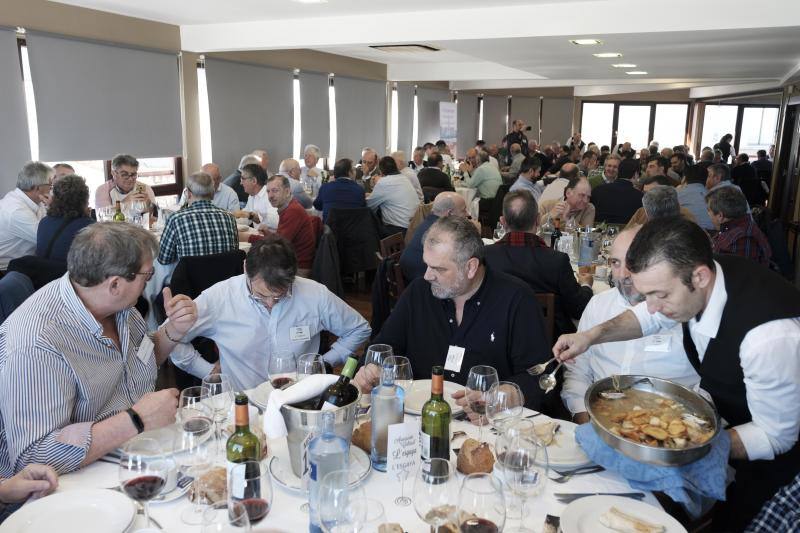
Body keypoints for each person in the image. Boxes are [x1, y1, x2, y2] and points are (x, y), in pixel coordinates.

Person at [552, 217, 800, 530]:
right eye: (648, 295)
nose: (652, 308)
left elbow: (776, 434)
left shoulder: (767, 339)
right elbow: (647, 317)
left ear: (699, 277)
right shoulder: (696, 275)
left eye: (661, 295)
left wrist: (688, 446)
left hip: (780, 472)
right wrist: (589, 336)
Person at [0, 223, 197, 475]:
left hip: (135, 453)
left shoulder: (119, 307)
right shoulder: (38, 343)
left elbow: (142, 359)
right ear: (114, 285)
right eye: (147, 276)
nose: (149, 282)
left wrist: (174, 330)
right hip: (76, 480)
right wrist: (136, 420)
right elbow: (33, 458)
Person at [354, 216, 552, 412]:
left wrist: (504, 396)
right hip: (418, 417)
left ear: (471, 267)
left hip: (486, 424)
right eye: (426, 264)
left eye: (438, 269)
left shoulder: (515, 299)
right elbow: (384, 346)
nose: (427, 275)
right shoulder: (419, 292)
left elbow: (540, 376)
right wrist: (370, 369)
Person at [169, 235, 370, 391]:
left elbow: (358, 329)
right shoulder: (220, 298)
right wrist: (207, 370)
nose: (271, 304)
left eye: (280, 296)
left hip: (300, 396)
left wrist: (325, 361)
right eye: (261, 295)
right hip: (243, 401)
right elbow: (170, 339)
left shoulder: (314, 294)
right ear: (246, 268)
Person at [561, 225, 698, 423]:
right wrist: (584, 420)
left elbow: (708, 388)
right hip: (600, 422)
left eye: (634, 263)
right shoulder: (599, 305)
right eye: (616, 263)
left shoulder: (688, 312)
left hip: (671, 428)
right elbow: (577, 372)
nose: (623, 274)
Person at [485, 190, 593, 340]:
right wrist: (586, 285)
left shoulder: (484, 257)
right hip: (547, 345)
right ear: (537, 220)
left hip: (494, 338)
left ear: (503, 222)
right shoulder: (556, 260)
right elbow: (579, 309)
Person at [158, 171, 238, 265]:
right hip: (225, 278)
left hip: (191, 279)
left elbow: (163, 259)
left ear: (188, 194)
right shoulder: (229, 218)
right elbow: (234, 251)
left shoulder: (176, 219)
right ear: (212, 194)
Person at [399, 191, 470, 281]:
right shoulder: (443, 231)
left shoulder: (430, 220)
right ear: (450, 213)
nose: (468, 214)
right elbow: (459, 258)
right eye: (463, 210)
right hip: (420, 277)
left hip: (410, 269)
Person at [0, 162, 53, 271]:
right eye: (50, 185)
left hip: (27, 263)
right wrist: (55, 207)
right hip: (9, 271)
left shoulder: (36, 201)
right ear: (38, 188)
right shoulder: (16, 210)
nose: (51, 189)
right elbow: (48, 240)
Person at [261, 174, 316, 276]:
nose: (270, 196)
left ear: (287, 192)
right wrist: (267, 233)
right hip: (291, 261)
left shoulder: (292, 211)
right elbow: (280, 239)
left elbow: (278, 245)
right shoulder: (288, 207)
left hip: (298, 267)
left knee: (256, 272)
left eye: (275, 191)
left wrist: (248, 237)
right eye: (268, 191)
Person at [706, 186, 771, 266]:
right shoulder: (739, 226)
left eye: (709, 210)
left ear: (720, 216)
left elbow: (737, 276)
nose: (707, 214)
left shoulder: (743, 239)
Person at [36, 174, 94, 262]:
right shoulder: (89, 228)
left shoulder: (44, 222)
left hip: (44, 274)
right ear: (85, 199)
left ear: (55, 198)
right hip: (69, 274)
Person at [366, 156, 419, 236]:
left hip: (398, 230)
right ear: (395, 167)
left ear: (381, 171)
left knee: (368, 227)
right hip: (414, 227)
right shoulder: (404, 178)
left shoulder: (384, 182)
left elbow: (370, 205)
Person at [313, 158, 367, 223]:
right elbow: (363, 208)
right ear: (350, 173)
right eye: (354, 170)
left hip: (330, 230)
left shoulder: (325, 187)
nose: (356, 172)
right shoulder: (359, 190)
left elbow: (317, 206)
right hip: (352, 231)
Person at [592, 158, 643, 224]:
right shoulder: (639, 196)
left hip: (598, 231)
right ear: (635, 174)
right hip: (626, 232)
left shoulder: (597, 190)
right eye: (639, 175)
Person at [626, 181, 695, 228]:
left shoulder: (686, 216)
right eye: (645, 193)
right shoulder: (641, 212)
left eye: (654, 193)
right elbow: (626, 233)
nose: (648, 198)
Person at [232, 163, 279, 230]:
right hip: (259, 236)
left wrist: (252, 216)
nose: (241, 183)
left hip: (271, 238)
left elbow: (276, 221)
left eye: (243, 178)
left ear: (254, 181)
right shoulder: (251, 196)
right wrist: (230, 222)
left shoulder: (269, 195)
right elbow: (246, 218)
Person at [677, 165, 716, 230]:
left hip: (688, 233)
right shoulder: (714, 195)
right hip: (713, 234)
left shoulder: (677, 194)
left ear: (684, 178)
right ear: (706, 179)